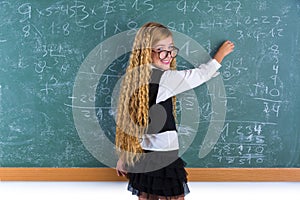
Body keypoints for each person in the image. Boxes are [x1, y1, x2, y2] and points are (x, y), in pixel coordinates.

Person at [115, 22, 234, 200]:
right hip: (163, 158)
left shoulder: (135, 79)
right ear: (146, 51)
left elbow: (131, 124)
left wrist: (125, 156)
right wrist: (220, 55)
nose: (168, 55)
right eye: (161, 49)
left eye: (171, 48)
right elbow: (200, 75)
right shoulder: (164, 79)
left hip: (143, 157)